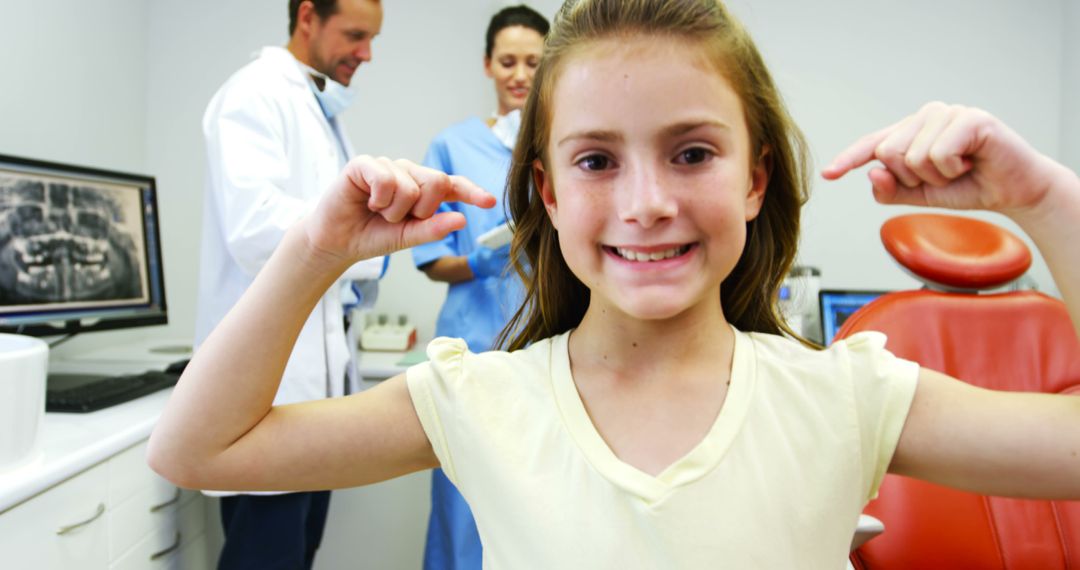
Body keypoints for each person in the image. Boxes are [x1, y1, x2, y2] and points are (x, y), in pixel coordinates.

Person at [151, 0, 1080, 567]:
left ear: (755, 178)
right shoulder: (481, 398)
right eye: (597, 160)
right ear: (547, 194)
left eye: (691, 152)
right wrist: (314, 249)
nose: (645, 204)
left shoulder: (844, 395)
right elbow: (200, 451)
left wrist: (1045, 199)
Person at [194, 0, 385, 567]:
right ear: (308, 16)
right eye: (355, 35)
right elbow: (256, 230)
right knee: (266, 555)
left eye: (372, 39)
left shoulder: (318, 106)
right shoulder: (254, 94)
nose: (366, 54)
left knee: (297, 553)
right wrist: (371, 246)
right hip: (266, 393)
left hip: (310, 395)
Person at [409, 6, 549, 568]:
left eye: (534, 63)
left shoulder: (564, 147)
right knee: (460, 498)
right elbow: (430, 258)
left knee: (535, 499)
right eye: (508, 61)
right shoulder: (452, 146)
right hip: (471, 343)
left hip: (547, 343)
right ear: (488, 65)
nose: (520, 74)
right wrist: (485, 262)